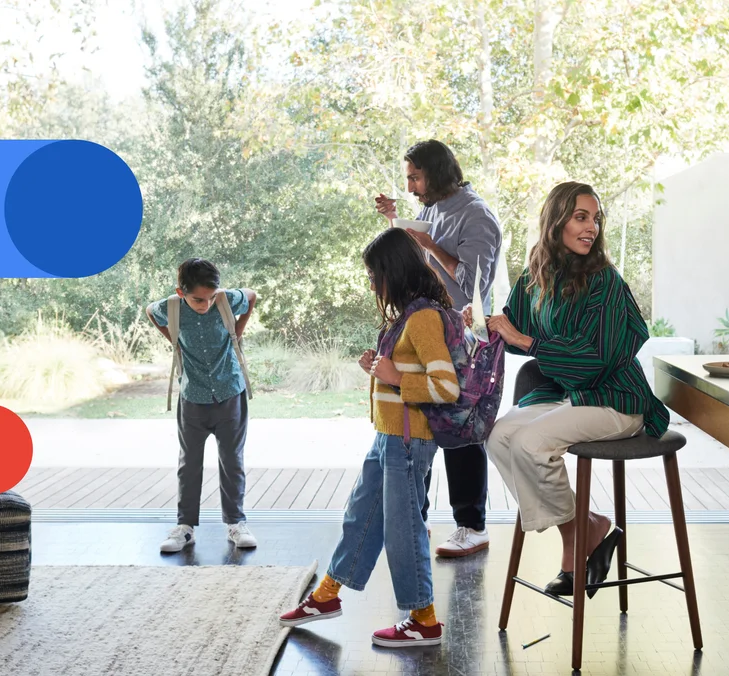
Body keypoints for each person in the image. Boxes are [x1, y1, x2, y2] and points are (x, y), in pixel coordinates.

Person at [483, 181, 671, 595]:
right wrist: (485, 326)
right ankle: (587, 527)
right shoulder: (538, 275)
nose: (591, 228)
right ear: (556, 222)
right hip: (568, 395)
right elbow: (516, 331)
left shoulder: (605, 281)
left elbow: (597, 358)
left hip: (615, 399)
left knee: (532, 442)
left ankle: (576, 542)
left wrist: (526, 342)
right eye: (581, 217)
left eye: (596, 219)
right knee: (499, 437)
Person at [279, 228, 459, 647]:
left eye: (374, 273)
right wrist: (381, 371)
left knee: (403, 530)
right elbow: (407, 376)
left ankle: (424, 619)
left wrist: (394, 377)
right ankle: (327, 594)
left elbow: (446, 386)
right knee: (360, 517)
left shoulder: (424, 317)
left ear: (393, 271)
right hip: (390, 438)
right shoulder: (409, 316)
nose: (372, 282)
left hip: (409, 442)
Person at [374, 139, 501, 558]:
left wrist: (428, 246)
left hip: (464, 334)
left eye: (415, 177)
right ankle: (417, 519)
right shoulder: (431, 209)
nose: (410, 186)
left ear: (436, 172)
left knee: (462, 429)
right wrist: (399, 221)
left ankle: (472, 526)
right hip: (428, 322)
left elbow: (471, 288)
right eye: (408, 178)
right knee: (423, 421)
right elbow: (421, 266)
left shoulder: (477, 216)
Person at [146, 258, 259, 553]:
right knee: (189, 464)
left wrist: (237, 331)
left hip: (229, 392)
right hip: (192, 396)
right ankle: (185, 527)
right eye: (198, 299)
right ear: (181, 292)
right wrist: (175, 342)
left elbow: (251, 295)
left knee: (232, 461)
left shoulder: (225, 299)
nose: (206, 304)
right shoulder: (170, 308)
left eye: (211, 297)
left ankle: (236, 523)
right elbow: (150, 311)